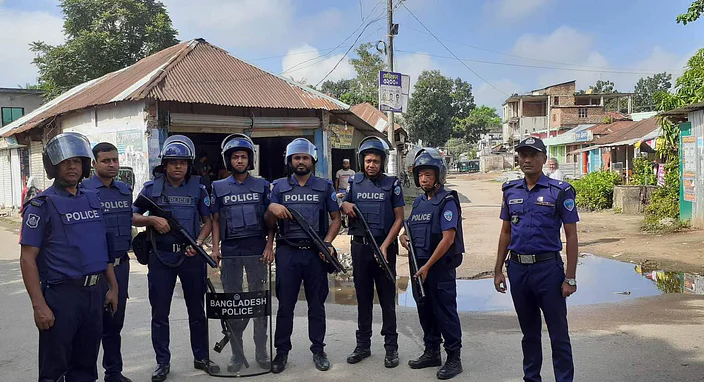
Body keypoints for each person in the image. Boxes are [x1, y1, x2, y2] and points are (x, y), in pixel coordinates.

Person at [19, 132, 119, 381]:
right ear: (54, 166)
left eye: (76, 161)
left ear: (85, 165)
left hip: (94, 295)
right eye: (65, 162)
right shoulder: (41, 205)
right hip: (62, 296)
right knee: (54, 369)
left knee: (85, 368)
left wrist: (113, 286)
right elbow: (27, 259)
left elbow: (101, 248)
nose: (72, 166)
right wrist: (39, 305)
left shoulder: (93, 200)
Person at [493, 137, 579, 382]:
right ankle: (532, 378)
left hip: (548, 271)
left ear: (544, 158)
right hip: (518, 270)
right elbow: (505, 232)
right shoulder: (511, 191)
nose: (527, 159)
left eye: (533, 154)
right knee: (529, 334)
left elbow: (571, 236)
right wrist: (498, 269)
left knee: (558, 334)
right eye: (522, 155)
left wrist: (570, 278)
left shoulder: (560, 191)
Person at [132, 135, 216, 382]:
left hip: (190, 255)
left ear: (189, 165)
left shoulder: (199, 189)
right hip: (161, 256)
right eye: (173, 162)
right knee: (160, 313)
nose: (178, 166)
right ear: (165, 165)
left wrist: (199, 243)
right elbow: (132, 216)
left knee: (196, 310)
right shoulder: (151, 189)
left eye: (182, 162)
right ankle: (162, 362)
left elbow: (208, 222)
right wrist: (151, 219)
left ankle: (201, 357)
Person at [265, 138, 342, 374]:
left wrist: (327, 243)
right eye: (296, 158)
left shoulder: (324, 186)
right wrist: (271, 209)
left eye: (305, 158)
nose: (301, 162)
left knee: (316, 305)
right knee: (285, 306)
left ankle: (318, 350)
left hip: (315, 253)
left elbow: (336, 219)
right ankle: (281, 352)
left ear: (312, 160)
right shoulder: (277, 187)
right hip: (287, 252)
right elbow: (269, 225)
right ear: (290, 161)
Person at [210, 134, 274, 372]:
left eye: (243, 157)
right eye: (235, 157)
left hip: (256, 249)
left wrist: (269, 246)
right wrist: (215, 249)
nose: (239, 160)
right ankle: (237, 354)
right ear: (228, 160)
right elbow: (216, 220)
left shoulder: (263, 185)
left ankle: (261, 351)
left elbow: (271, 222)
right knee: (233, 304)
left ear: (250, 160)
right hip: (230, 252)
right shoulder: (218, 187)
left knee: (259, 303)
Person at [400, 148, 464, 380]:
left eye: (428, 174)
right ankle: (431, 352)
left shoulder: (447, 201)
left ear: (439, 175)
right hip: (419, 267)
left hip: (438, 269)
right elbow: (408, 230)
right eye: (420, 175)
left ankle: (454, 358)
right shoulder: (418, 203)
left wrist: (427, 267)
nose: (423, 179)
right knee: (425, 310)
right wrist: (403, 238)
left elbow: (448, 239)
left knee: (445, 312)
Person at [340, 136, 404, 368]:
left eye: (376, 161)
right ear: (362, 161)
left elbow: (399, 218)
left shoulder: (392, 184)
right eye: (368, 161)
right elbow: (343, 205)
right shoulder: (354, 183)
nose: (371, 165)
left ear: (382, 162)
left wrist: (386, 245)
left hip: (384, 248)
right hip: (360, 247)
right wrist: (343, 204)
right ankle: (363, 345)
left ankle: (391, 348)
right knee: (363, 299)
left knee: (387, 300)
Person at [81, 142, 133, 382]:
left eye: (114, 160)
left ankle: (114, 373)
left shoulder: (124, 190)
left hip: (121, 265)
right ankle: (84, 375)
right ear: (94, 164)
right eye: (105, 161)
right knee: (91, 327)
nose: (112, 165)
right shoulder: (83, 192)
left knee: (114, 324)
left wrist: (152, 221)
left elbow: (129, 220)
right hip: (94, 269)